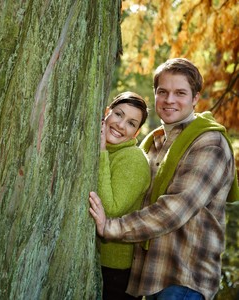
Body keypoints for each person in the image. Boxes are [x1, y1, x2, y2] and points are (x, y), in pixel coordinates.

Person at [89, 58, 239, 300]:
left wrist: (110, 227)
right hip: (148, 277)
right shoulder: (155, 142)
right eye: (163, 92)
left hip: (184, 281)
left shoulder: (209, 143)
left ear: (195, 98)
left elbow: (175, 209)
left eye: (180, 93)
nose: (170, 100)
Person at [97, 92, 151, 300]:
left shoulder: (133, 159)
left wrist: (101, 152)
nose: (120, 125)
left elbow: (111, 208)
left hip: (116, 273)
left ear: (136, 133)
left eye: (131, 123)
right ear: (106, 113)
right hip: (98, 261)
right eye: (118, 114)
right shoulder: (105, 150)